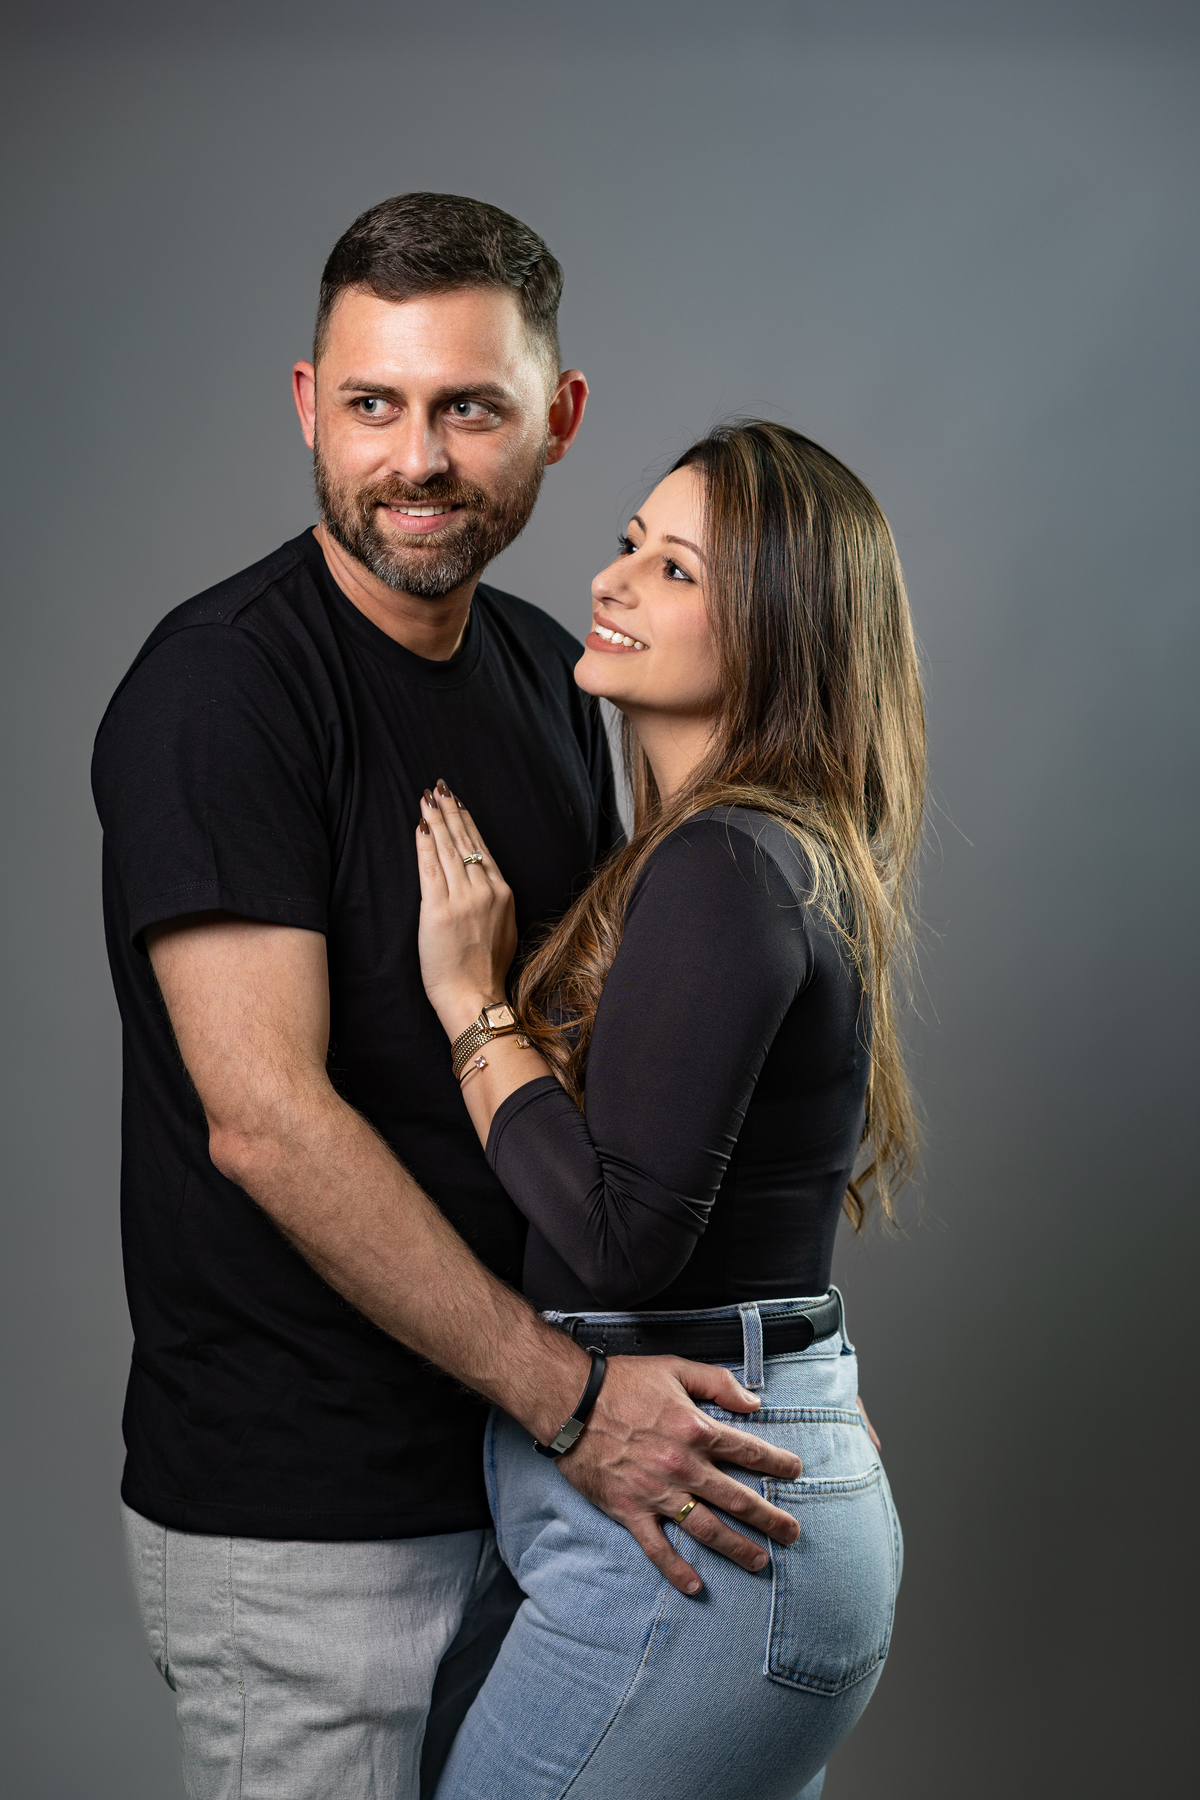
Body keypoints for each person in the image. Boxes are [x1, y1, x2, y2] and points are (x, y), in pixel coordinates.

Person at [90, 197, 808, 1800]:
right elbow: (265, 1121)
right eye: (374, 404)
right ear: (307, 406)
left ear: (558, 418)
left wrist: (793, 1390)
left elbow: (624, 1092)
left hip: (529, 1484)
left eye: (469, 408)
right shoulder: (224, 692)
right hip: (313, 1518)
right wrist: (573, 1405)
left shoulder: (554, 673)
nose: (415, 460)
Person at [411, 419, 925, 1800]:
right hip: (735, 1507)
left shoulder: (721, 862)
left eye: (678, 569)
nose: (615, 579)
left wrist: (473, 1005)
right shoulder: (767, 849)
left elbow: (618, 1236)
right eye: (632, 543)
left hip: (697, 1542)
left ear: (778, 633)